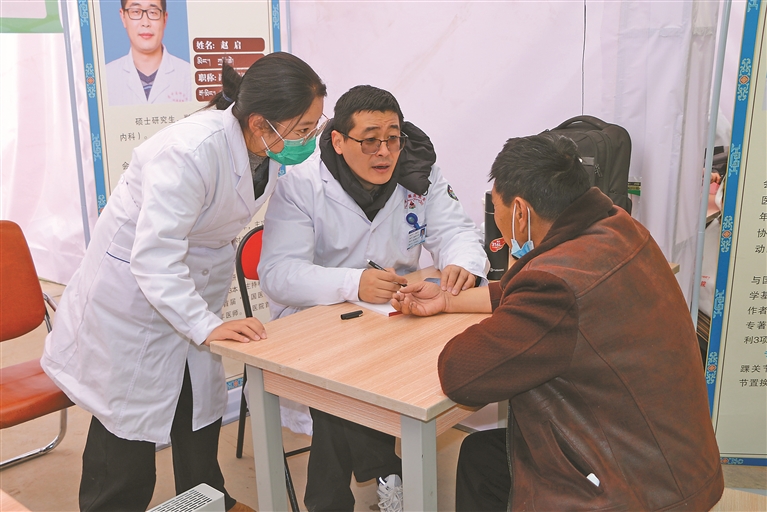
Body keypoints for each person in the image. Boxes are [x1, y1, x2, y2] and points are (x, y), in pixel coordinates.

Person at [42, 52, 327, 512]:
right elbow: (154, 257)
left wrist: (202, 322)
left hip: (189, 290)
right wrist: (206, 324)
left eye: (314, 127)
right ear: (260, 123)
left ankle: (208, 501)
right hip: (134, 301)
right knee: (128, 428)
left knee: (197, 409)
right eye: (302, 129)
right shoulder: (188, 151)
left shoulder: (264, 150)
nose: (308, 139)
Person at [392, 134, 725, 511]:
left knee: (487, 459)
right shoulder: (617, 228)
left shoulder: (553, 288)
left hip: (630, 493)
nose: (497, 225)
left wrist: (519, 264)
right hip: (676, 467)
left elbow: (460, 372)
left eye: (497, 210)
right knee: (482, 459)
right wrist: (449, 300)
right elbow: (545, 294)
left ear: (520, 213)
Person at [258, 85, 489, 512]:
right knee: (341, 381)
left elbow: (455, 231)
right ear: (338, 140)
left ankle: (365, 480)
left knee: (380, 372)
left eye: (393, 138)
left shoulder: (419, 173)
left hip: (393, 313)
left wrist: (464, 264)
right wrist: (352, 283)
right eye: (369, 140)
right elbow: (277, 274)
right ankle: (374, 477)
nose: (384, 152)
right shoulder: (302, 184)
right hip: (319, 317)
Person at [106, 0, 191, 106]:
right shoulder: (105, 78)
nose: (145, 23)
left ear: (164, 19)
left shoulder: (189, 75)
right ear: (123, 17)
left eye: (153, 12)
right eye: (136, 12)